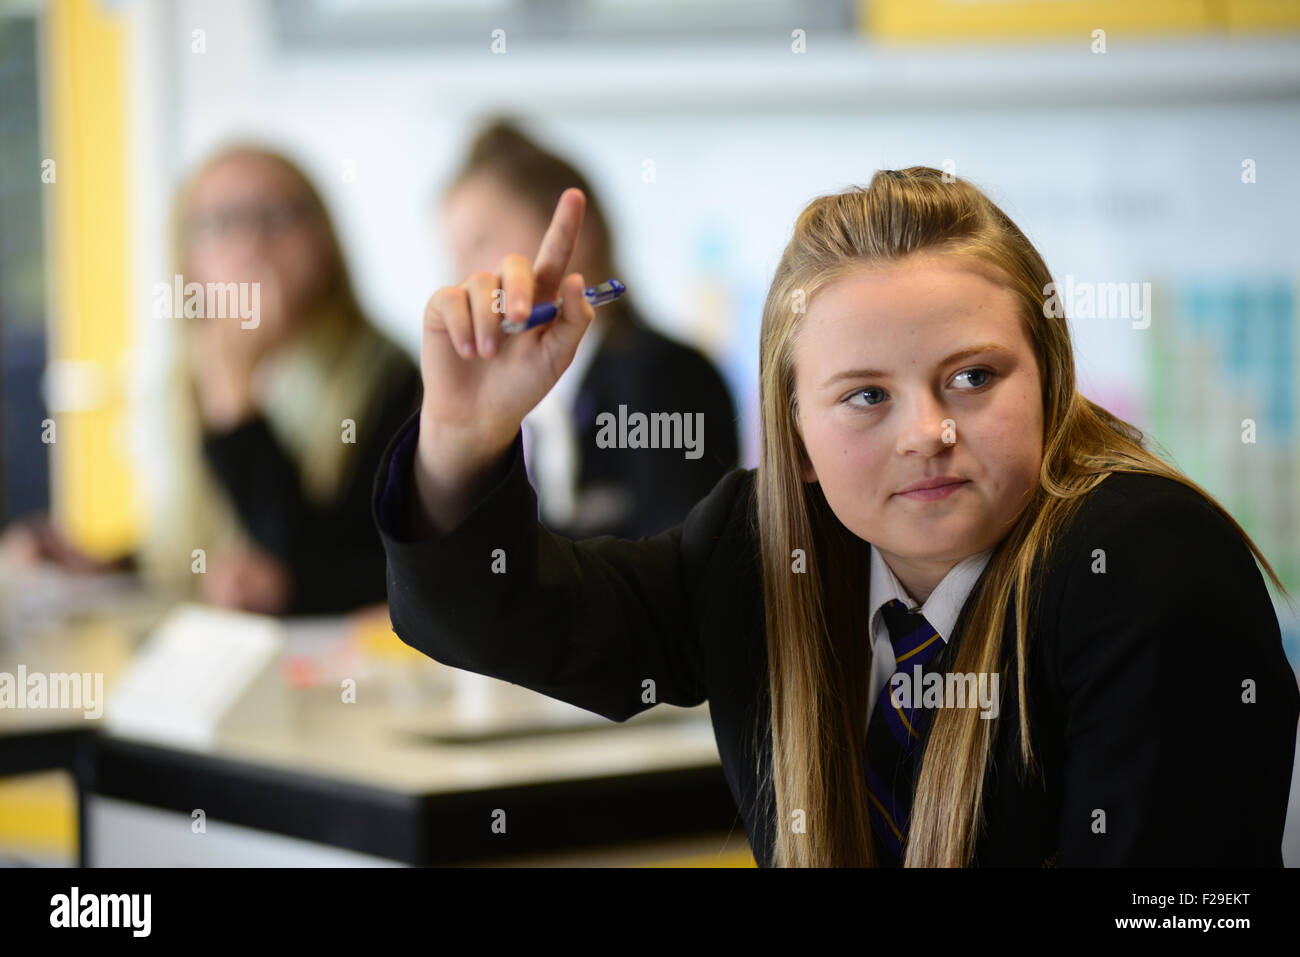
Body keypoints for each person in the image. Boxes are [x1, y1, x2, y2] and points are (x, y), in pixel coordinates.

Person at [370, 170, 1300, 866]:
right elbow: (502, 616)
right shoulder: (763, 546)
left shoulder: (1146, 559)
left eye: (973, 378)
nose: (929, 433)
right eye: (865, 396)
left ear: (1052, 383)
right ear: (799, 440)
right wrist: (463, 434)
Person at [3, 145, 421, 616]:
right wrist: (106, 569)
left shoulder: (387, 377)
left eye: (276, 216)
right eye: (220, 224)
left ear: (323, 244)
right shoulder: (184, 380)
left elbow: (311, 561)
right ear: (189, 264)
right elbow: (201, 553)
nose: (249, 245)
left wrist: (236, 408)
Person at [440, 120, 739, 539]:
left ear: (572, 235)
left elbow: (679, 569)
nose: (466, 277)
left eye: (481, 243)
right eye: (454, 256)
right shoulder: (500, 402)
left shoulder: (667, 377)